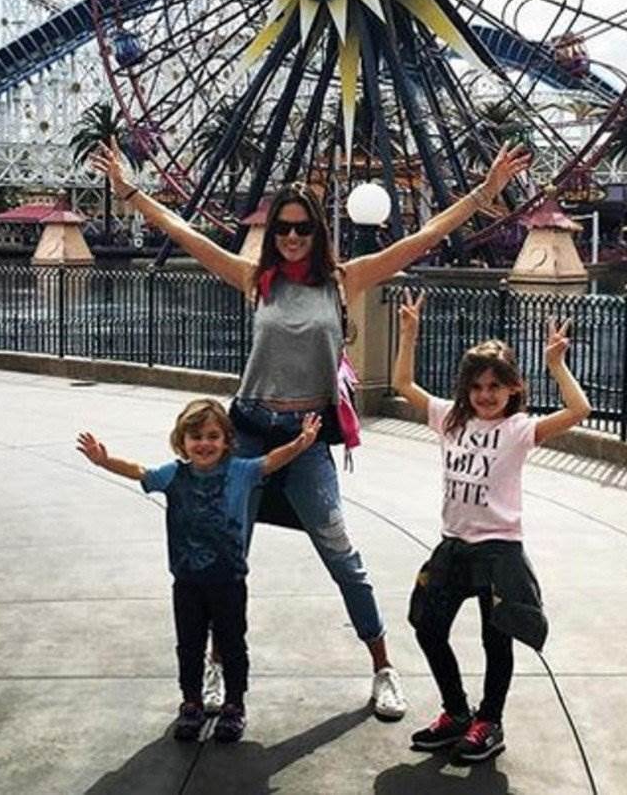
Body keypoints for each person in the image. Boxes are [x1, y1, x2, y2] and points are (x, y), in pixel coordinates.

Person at [90, 139, 532, 721]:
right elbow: (183, 233)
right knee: (228, 555)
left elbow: (422, 238)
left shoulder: (343, 281)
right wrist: (128, 190)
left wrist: (484, 193)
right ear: (272, 232)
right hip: (248, 432)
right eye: (283, 228)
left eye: (302, 228)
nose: (292, 237)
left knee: (341, 554)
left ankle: (383, 668)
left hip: (307, 437)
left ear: (317, 231)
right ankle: (218, 665)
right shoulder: (256, 279)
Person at [391, 290, 591, 763]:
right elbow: (403, 383)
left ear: (512, 388)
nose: (485, 395)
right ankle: (457, 712)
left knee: (495, 638)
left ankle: (489, 721)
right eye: (477, 386)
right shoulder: (450, 419)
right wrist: (409, 334)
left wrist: (556, 365)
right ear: (466, 389)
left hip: (499, 549)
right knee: (428, 626)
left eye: (495, 387)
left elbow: (579, 410)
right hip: (454, 546)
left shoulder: (518, 429)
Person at [76, 398, 320, 743]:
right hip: (188, 581)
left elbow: (270, 461)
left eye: (212, 436)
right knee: (189, 646)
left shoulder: (240, 471)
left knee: (233, 645)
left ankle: (234, 705)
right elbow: (139, 471)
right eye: (196, 437)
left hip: (229, 580)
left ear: (226, 441)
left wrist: (300, 443)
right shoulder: (174, 475)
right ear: (182, 441)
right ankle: (191, 702)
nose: (204, 444)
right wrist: (104, 461)